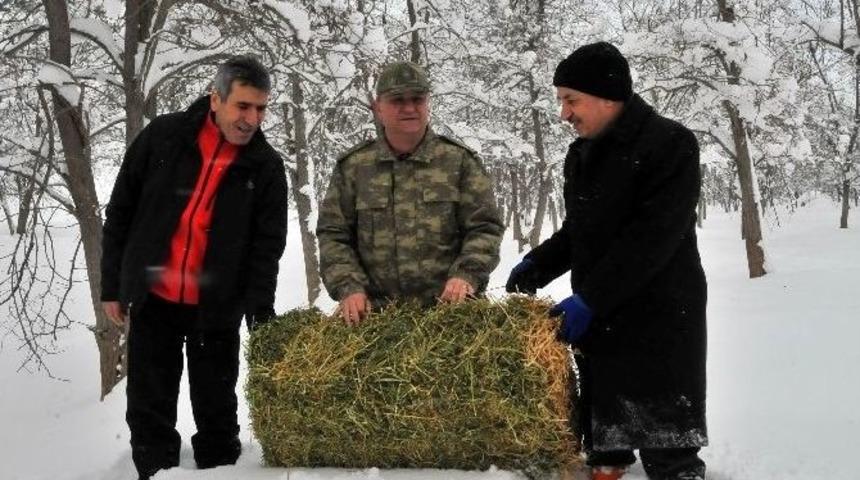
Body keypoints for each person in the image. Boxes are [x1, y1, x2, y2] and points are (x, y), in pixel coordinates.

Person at [506, 42, 708, 480]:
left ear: (607, 96)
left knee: (665, 440)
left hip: (661, 314)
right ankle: (609, 465)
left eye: (571, 100)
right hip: (603, 315)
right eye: (562, 100)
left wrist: (591, 299)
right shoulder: (581, 154)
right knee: (606, 437)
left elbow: (654, 238)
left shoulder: (670, 144)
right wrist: (537, 265)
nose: (564, 113)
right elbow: (582, 230)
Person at [100, 56, 288, 480]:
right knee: (149, 407)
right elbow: (122, 212)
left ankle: (220, 473)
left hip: (217, 309)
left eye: (261, 108)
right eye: (243, 106)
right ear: (216, 98)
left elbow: (267, 248)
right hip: (155, 300)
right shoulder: (165, 137)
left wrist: (260, 311)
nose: (252, 119)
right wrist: (113, 285)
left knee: (217, 411)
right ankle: (154, 472)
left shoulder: (266, 167)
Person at [317, 61, 504, 323]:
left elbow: (485, 228)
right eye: (397, 100)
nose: (409, 108)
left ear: (427, 103)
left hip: (450, 315)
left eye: (417, 99)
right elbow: (334, 234)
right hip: (375, 319)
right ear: (378, 107)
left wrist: (465, 275)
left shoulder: (459, 162)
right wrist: (349, 287)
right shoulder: (355, 168)